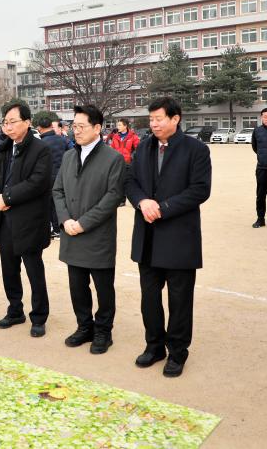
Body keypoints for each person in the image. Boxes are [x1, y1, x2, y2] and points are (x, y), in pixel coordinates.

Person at [125, 97, 211, 378]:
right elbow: (130, 181)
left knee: (179, 299)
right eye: (151, 119)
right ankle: (154, 346)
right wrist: (142, 202)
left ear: (176, 118)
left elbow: (200, 190)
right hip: (147, 237)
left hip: (178, 238)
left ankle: (177, 351)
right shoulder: (144, 147)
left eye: (159, 119)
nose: (153, 124)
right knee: (149, 298)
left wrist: (163, 208)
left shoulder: (196, 149)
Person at [53, 105, 125, 355]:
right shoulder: (68, 156)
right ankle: (84, 326)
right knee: (77, 286)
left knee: (103, 288)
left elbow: (113, 197)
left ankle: (104, 331)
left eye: (81, 126)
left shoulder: (113, 158)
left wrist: (83, 222)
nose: (77, 131)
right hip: (71, 233)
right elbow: (57, 190)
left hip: (97, 235)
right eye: (74, 126)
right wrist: (65, 220)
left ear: (97, 128)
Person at [0, 101, 52, 338]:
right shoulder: (3, 147)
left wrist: (8, 197)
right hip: (4, 218)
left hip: (29, 220)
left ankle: (39, 316)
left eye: (13, 121)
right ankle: (15, 310)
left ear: (28, 122)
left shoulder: (40, 149)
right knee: (9, 269)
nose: (8, 126)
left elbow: (38, 181)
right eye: (5, 122)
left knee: (34, 269)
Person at [36, 115, 71, 238]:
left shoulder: (40, 144)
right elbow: (72, 154)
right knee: (62, 202)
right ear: (51, 126)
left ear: (39, 128)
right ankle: (61, 227)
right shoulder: (63, 140)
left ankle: (55, 228)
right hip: (64, 176)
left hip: (47, 178)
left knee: (50, 204)